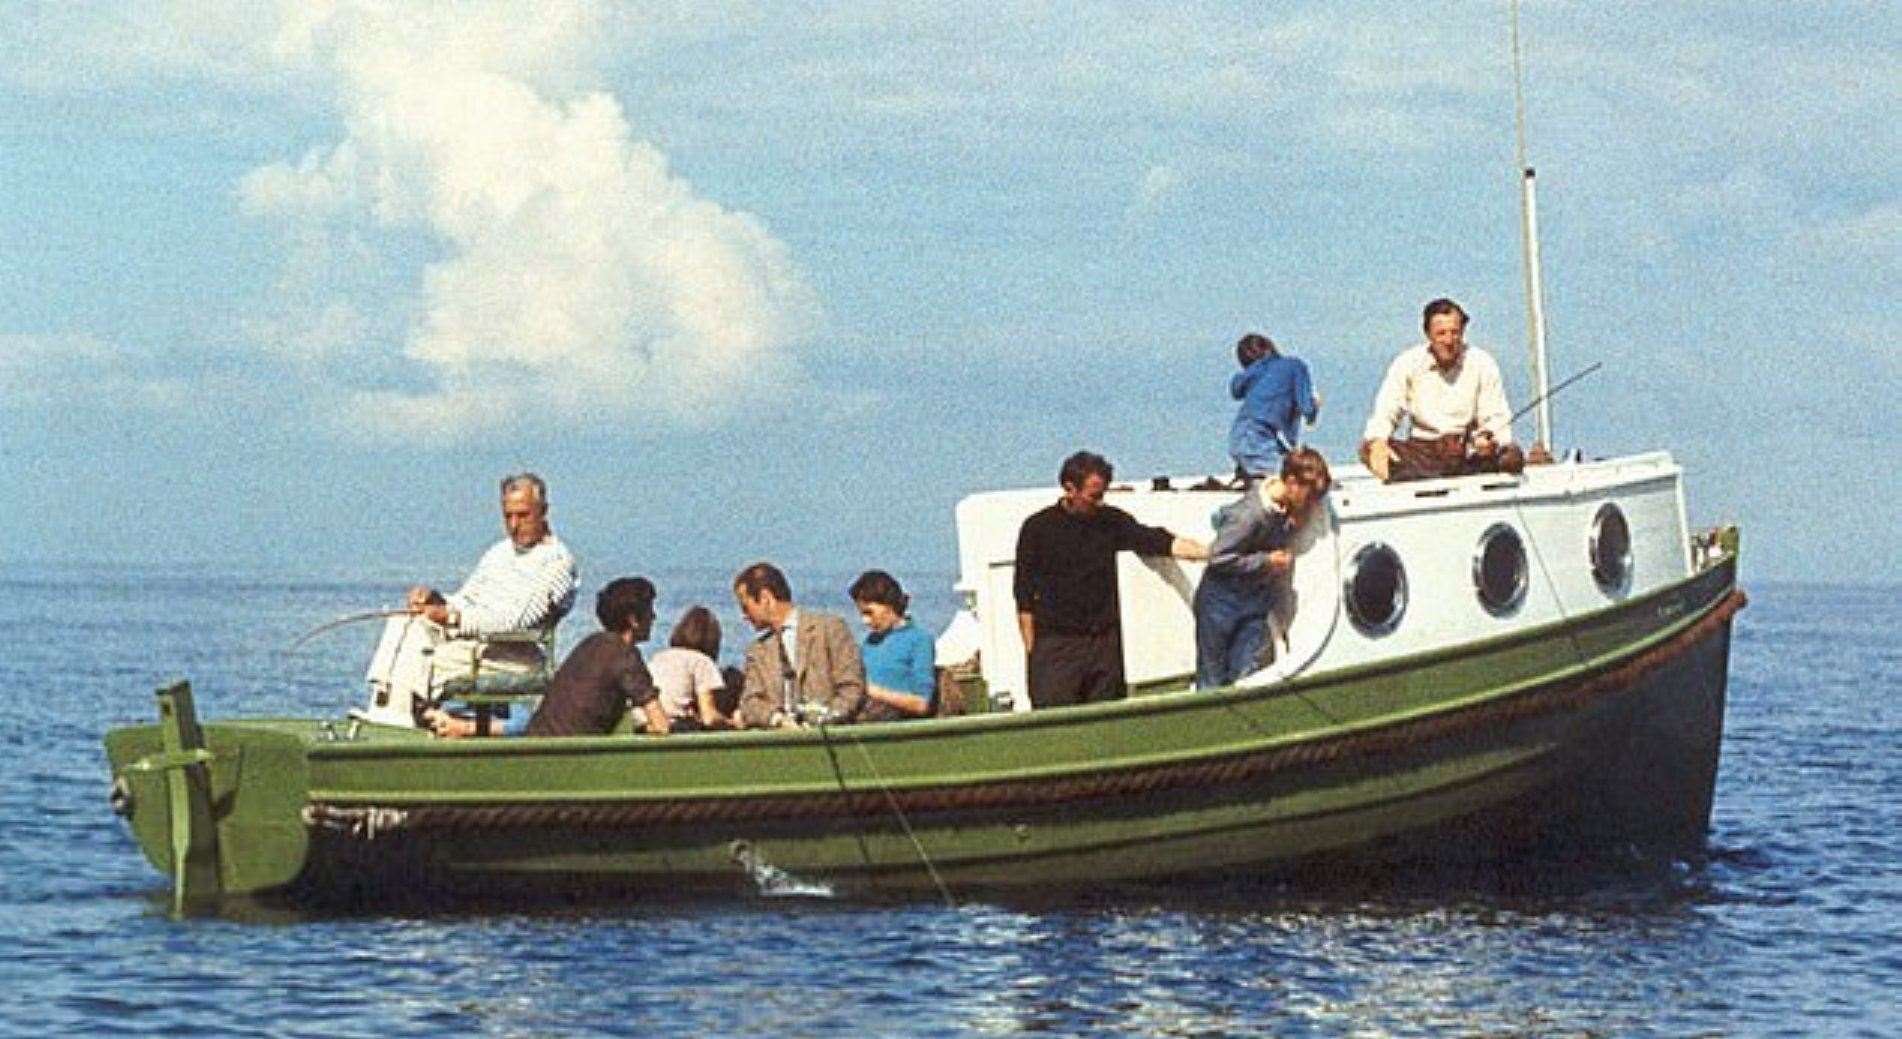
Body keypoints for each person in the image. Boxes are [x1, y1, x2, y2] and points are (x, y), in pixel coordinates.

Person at [361, 472, 579, 725]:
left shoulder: (557, 563)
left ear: (543, 511)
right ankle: (386, 711)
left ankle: (398, 719)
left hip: (515, 655)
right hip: (475, 645)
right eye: (508, 516)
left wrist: (451, 618)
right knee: (403, 622)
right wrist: (434, 602)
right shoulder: (499, 553)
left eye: (523, 515)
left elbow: (517, 620)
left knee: (421, 661)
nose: (514, 525)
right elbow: (467, 599)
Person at [1013, 451, 1209, 709]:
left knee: (1106, 717)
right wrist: (1033, 650)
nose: (1099, 502)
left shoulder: (1110, 521)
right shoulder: (1038, 528)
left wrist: (1210, 553)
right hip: (1057, 644)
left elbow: (1154, 540)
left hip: (1103, 644)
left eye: (1103, 494)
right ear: (1069, 488)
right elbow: (1023, 593)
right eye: (1094, 496)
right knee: (1056, 721)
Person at [423, 577, 666, 738]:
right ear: (634, 619)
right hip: (569, 756)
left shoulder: (592, 643)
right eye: (650, 612)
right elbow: (660, 725)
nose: (653, 618)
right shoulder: (623, 655)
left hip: (540, 738)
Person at [1193, 447, 1332, 690]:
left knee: (1247, 676)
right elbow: (1218, 557)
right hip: (1220, 603)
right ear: (1291, 482)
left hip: (1255, 602)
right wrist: (1266, 562)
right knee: (1212, 678)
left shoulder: (1286, 508)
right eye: (1308, 496)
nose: (1311, 504)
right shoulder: (1250, 514)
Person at [1360, 298, 1526, 482]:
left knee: (1511, 456)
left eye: (1455, 333)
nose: (1449, 341)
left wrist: (1488, 438)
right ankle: (1403, 489)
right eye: (1441, 334)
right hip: (1422, 452)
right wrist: (1378, 440)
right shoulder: (1408, 363)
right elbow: (1387, 410)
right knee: (1370, 449)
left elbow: (1496, 415)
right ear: (1428, 334)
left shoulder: (1481, 363)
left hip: (1467, 451)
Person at [733, 562, 866, 728]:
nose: (744, 616)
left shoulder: (830, 629)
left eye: (746, 607)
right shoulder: (757, 651)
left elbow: (852, 687)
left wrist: (825, 719)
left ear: (765, 598)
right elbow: (750, 703)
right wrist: (778, 720)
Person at [1228, 332, 1321, 480]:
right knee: (1298, 477)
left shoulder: (1257, 371)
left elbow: (1236, 387)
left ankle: (1246, 474)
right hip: (1259, 436)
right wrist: (1314, 406)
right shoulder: (1295, 366)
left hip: (1240, 435)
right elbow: (1307, 407)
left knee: (1287, 467)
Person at [849, 570, 936, 722]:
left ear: (888, 605)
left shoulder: (920, 640)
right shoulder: (871, 642)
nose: (865, 621)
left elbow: (922, 703)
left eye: (869, 613)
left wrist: (873, 692)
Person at [649, 605, 732, 731]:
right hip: (672, 725)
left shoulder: (658, 657)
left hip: (648, 721)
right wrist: (732, 723)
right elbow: (709, 718)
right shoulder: (702, 661)